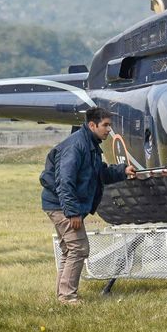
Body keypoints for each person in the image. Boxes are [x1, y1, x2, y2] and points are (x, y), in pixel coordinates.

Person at [40, 107, 136, 305]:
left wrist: (123, 171)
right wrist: (72, 212)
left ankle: (63, 295)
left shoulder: (90, 144)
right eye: (105, 125)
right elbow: (65, 182)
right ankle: (68, 297)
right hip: (61, 205)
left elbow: (99, 173)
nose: (109, 130)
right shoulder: (76, 146)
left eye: (109, 125)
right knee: (79, 248)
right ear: (92, 125)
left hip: (61, 204)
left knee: (70, 250)